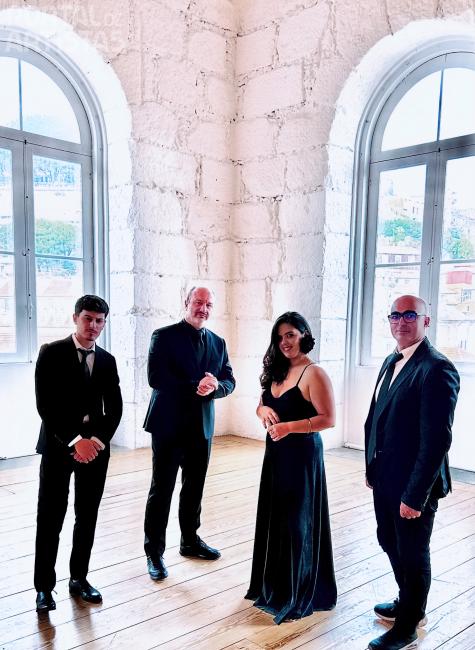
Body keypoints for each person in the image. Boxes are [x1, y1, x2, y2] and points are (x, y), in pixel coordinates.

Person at [365, 295, 460, 650]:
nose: (401, 322)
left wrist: (415, 496)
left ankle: (407, 627)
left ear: (425, 321)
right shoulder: (392, 359)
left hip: (414, 483)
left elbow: (437, 441)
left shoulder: (437, 368)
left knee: (413, 552)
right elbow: (377, 416)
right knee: (388, 540)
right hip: (385, 476)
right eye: (395, 315)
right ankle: (408, 602)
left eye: (410, 315)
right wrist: (371, 467)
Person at [245, 311, 337, 624]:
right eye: (280, 336)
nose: (285, 342)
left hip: (302, 455)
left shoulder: (314, 373)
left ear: (304, 335)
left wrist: (288, 428)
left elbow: (328, 419)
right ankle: (274, 585)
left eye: (291, 335)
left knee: (298, 521)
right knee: (276, 516)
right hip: (276, 455)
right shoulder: (277, 369)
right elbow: (262, 405)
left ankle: (299, 590)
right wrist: (262, 411)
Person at [34, 294, 123, 613]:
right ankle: (44, 587)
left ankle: (79, 579)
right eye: (88, 318)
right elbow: (46, 405)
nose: (93, 326)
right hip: (59, 446)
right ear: (75, 318)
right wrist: (75, 441)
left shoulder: (107, 360)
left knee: (87, 516)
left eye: (100, 321)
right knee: (50, 517)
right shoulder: (51, 352)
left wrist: (96, 441)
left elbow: (115, 408)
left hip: (95, 450)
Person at [143, 286, 235, 580]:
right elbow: (156, 377)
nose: (203, 309)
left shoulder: (218, 342)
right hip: (168, 426)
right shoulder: (163, 336)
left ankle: (190, 541)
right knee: (162, 489)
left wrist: (216, 387)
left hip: (201, 427)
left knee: (195, 487)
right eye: (198, 302)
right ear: (186, 302)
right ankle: (154, 552)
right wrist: (197, 385)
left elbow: (229, 380)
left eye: (208, 304)